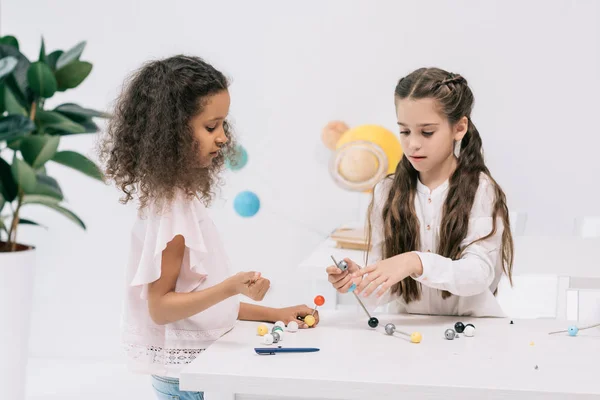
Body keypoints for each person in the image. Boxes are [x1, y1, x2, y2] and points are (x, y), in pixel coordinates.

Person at [100, 55, 319, 400]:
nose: (223, 138)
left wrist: (274, 313)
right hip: (187, 381)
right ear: (173, 132)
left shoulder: (178, 198)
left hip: (193, 372)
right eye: (210, 127)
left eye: (223, 126)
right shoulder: (171, 211)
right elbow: (161, 309)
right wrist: (230, 286)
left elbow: (198, 309)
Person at [326, 67, 514, 317]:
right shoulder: (387, 191)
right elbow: (391, 287)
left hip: (475, 335)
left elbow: (478, 275)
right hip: (412, 336)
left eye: (427, 132)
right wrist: (361, 280)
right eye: (404, 131)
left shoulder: (481, 190)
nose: (413, 143)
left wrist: (415, 261)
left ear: (459, 128)